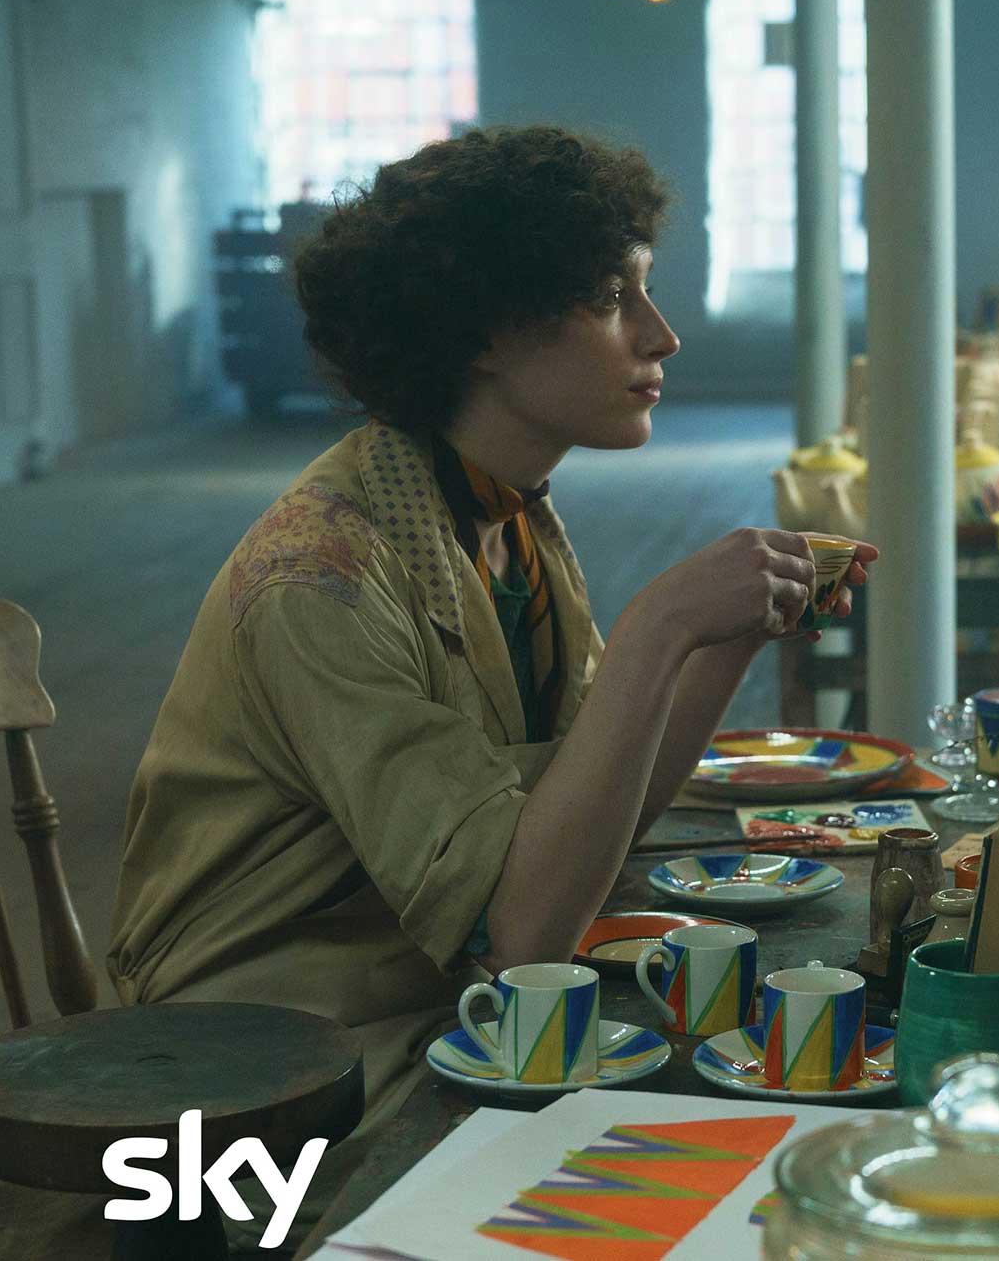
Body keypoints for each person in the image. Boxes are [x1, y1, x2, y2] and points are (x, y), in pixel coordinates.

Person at [107, 125, 872, 1234]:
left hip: (431, 993)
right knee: (710, 1149)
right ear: (484, 334)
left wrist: (728, 638)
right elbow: (523, 937)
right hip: (274, 1060)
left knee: (754, 1094)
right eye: (610, 298)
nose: (659, 333)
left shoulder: (502, 516)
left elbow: (592, 817)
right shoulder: (320, 578)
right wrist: (659, 625)